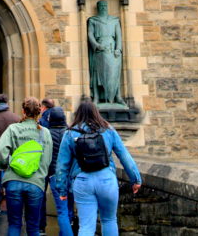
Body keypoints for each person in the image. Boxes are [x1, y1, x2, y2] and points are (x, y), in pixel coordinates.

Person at [54, 101, 141, 236]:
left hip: (82, 181)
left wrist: (62, 189)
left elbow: (62, 165)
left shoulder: (70, 133)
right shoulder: (108, 130)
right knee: (109, 220)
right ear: (96, 112)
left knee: (86, 226)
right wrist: (135, 179)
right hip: (107, 180)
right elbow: (124, 156)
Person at [0, 98, 53, 236]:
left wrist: (4, 166)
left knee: (14, 224)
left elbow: (0, 151)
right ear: (39, 112)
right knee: (33, 226)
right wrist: (39, 175)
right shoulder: (45, 132)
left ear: (23, 111)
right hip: (35, 182)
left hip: (13, 180)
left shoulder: (13, 129)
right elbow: (47, 160)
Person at [40, 107, 73, 236]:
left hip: (54, 174)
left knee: (62, 211)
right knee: (69, 209)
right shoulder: (69, 133)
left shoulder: (46, 133)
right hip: (70, 175)